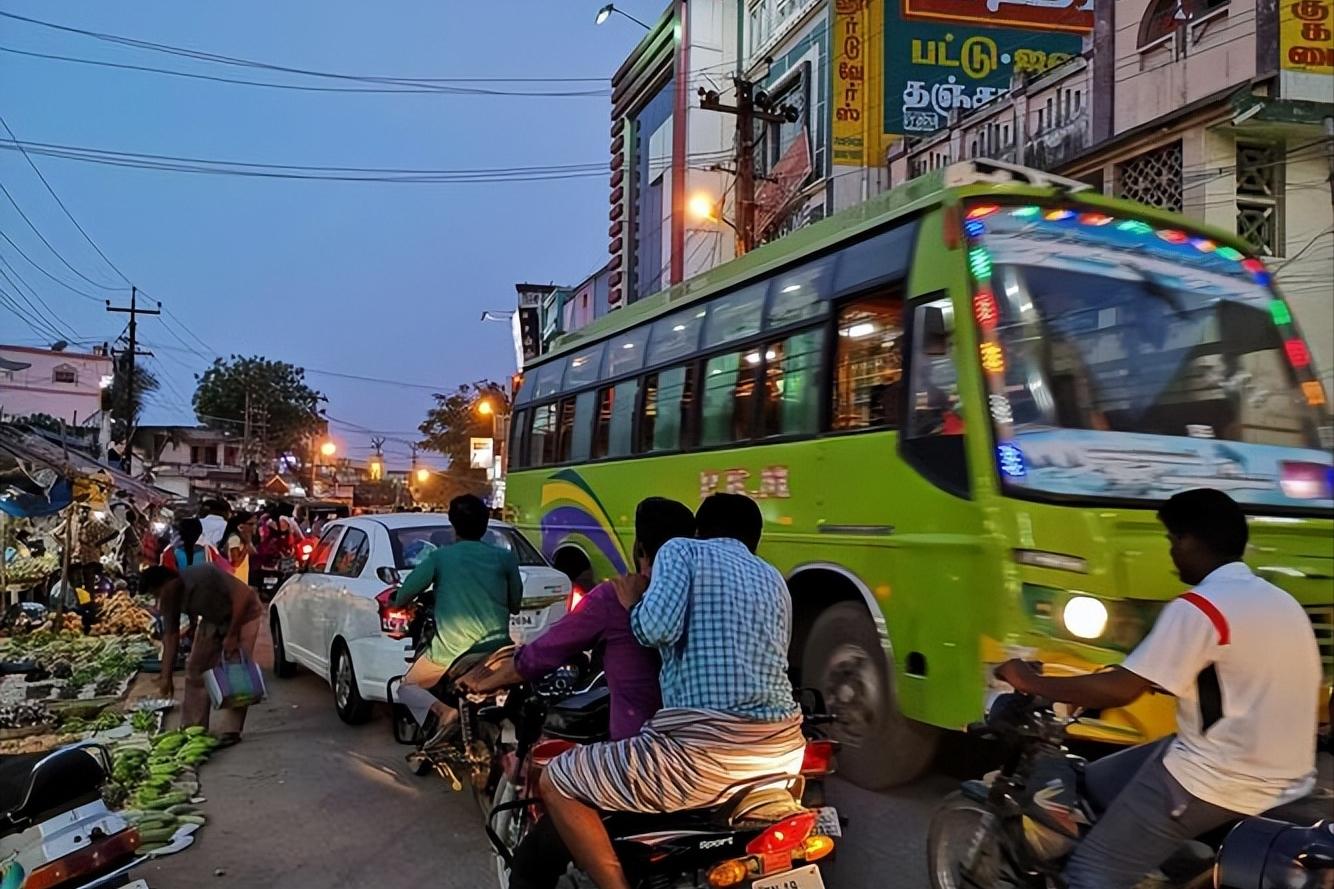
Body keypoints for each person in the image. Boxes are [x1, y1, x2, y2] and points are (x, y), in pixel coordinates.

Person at [995, 488, 1322, 889]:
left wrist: (1029, 680)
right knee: (1093, 786)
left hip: (1219, 779)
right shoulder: (1279, 602)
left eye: (1171, 540)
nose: (1171, 552)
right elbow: (1231, 675)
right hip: (1286, 773)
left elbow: (1120, 691)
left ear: (1187, 540)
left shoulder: (1200, 606)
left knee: (1089, 874)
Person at [538, 493, 804, 889]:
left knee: (557, 779)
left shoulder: (681, 551)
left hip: (703, 754)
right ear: (755, 540)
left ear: (698, 532)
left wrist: (632, 604)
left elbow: (656, 629)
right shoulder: (773, 577)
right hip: (784, 752)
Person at [463, 497, 695, 889]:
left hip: (645, 765)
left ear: (639, 549)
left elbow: (541, 654)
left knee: (533, 859)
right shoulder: (708, 597)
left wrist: (484, 680)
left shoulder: (616, 597)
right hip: (720, 757)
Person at [392, 494, 523, 748]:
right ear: (485, 525)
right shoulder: (505, 558)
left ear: (453, 525)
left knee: (407, 688)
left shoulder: (441, 558)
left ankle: (444, 712)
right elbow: (515, 605)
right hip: (499, 651)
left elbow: (404, 595)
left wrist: (398, 600)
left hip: (453, 653)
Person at [141, 562, 265, 745]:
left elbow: (244, 595)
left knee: (236, 671)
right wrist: (165, 676)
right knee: (195, 669)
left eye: (158, 592)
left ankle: (230, 730)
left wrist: (231, 634)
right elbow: (171, 637)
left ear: (170, 582)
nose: (159, 598)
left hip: (245, 612)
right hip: (214, 618)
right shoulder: (169, 600)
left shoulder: (203, 574)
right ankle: (193, 727)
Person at [220, 510, 257, 586]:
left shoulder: (244, 538)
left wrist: (248, 541)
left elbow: (254, 553)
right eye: (251, 524)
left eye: (255, 524)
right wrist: (246, 544)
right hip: (234, 581)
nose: (254, 527)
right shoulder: (234, 539)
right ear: (241, 526)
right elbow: (236, 563)